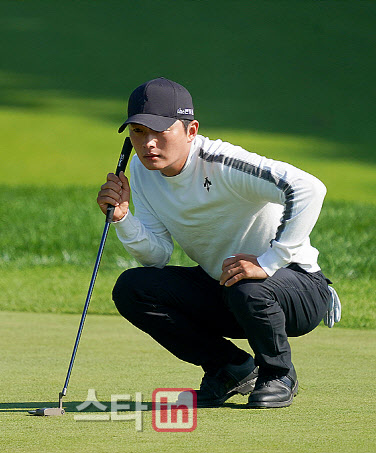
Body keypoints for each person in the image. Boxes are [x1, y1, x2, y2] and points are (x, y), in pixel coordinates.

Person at [96, 77, 341, 409]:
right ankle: (231, 368)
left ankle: (278, 374)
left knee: (247, 285)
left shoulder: (221, 162)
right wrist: (123, 219)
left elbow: (309, 188)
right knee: (133, 288)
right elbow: (157, 256)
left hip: (298, 289)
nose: (149, 143)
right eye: (139, 131)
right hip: (228, 288)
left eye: (160, 131)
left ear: (191, 130)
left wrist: (269, 262)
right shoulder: (141, 171)